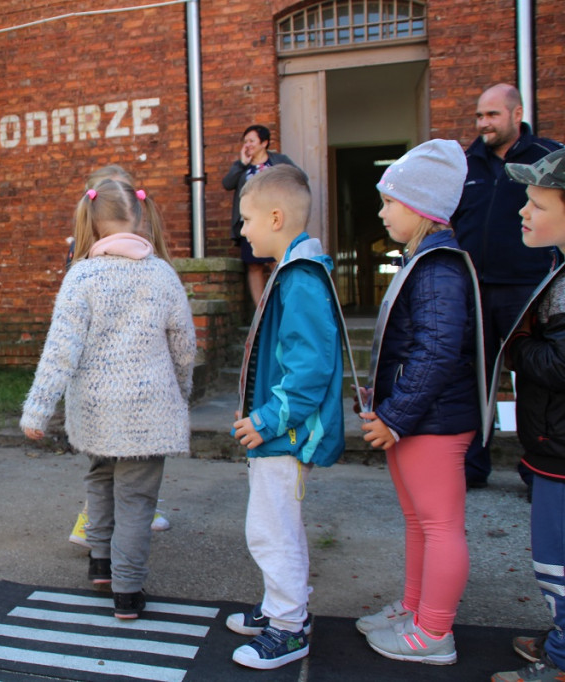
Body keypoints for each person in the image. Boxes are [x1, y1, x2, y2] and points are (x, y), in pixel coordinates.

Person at [21, 179, 196, 620]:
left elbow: (60, 349)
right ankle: (128, 590)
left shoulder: (81, 276)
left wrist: (38, 408)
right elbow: (184, 346)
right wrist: (181, 390)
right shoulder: (162, 274)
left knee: (100, 478)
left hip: (96, 410)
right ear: (139, 218)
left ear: (93, 224)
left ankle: (100, 563)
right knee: (137, 500)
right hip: (148, 410)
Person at [355, 140, 480, 666]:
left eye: (390, 202)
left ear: (421, 206)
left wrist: (395, 417)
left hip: (432, 421)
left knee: (439, 525)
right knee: (420, 521)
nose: (382, 212)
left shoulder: (437, 268)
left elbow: (437, 352)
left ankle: (433, 632)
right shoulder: (424, 262)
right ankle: (414, 609)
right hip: (417, 419)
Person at [226, 165, 344, 670]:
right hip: (278, 431)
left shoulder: (299, 278)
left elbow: (309, 368)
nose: (242, 230)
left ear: (276, 218)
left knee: (273, 532)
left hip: (286, 435)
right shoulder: (291, 272)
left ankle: (289, 627)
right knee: (275, 527)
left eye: (247, 219)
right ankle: (281, 606)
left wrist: (267, 420)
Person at [452, 84, 564, 490]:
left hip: (527, 289)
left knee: (533, 379)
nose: (483, 123)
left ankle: (539, 470)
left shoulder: (546, 157)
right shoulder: (466, 164)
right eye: (479, 115)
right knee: (473, 378)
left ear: (516, 115)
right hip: (475, 289)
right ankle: (472, 467)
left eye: (492, 115)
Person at [490, 148, 565, 682]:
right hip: (552, 444)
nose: (523, 211)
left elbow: (560, 362)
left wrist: (516, 346)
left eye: (537, 204)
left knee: (558, 559)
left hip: (560, 449)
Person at [66, 164, 171, 547]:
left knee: (126, 469)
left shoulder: (150, 261)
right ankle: (97, 528)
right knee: (106, 469)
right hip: (104, 386)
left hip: (135, 382)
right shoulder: (84, 265)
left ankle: (110, 540)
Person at [222, 125, 298, 307]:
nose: (247, 145)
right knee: (254, 265)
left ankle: (284, 304)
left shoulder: (279, 161)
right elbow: (227, 183)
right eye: (245, 141)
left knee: (276, 262)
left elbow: (299, 177)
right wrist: (242, 163)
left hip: (273, 221)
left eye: (252, 141)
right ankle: (260, 310)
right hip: (250, 223)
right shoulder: (242, 166)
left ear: (264, 143)